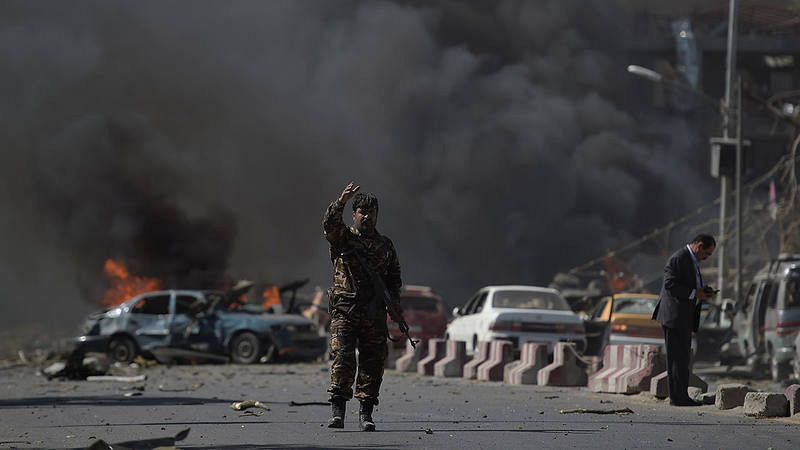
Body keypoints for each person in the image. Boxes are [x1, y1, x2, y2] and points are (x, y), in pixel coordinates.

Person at [323, 182, 402, 431]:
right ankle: (337, 412)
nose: (367, 217)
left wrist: (394, 304)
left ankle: (366, 414)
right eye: (363, 212)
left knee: (373, 363)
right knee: (343, 359)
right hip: (344, 311)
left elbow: (393, 278)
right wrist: (341, 201)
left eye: (372, 212)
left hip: (373, 312)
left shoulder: (385, 245)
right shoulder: (343, 238)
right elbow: (329, 224)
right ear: (354, 214)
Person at [652, 234, 716, 406]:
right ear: (699, 246)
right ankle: (677, 397)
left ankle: (681, 396)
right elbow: (670, 285)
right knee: (676, 358)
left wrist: (702, 291)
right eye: (707, 253)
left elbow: (688, 284)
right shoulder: (679, 258)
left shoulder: (690, 260)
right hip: (674, 317)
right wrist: (695, 293)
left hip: (683, 317)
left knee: (682, 358)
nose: (706, 258)